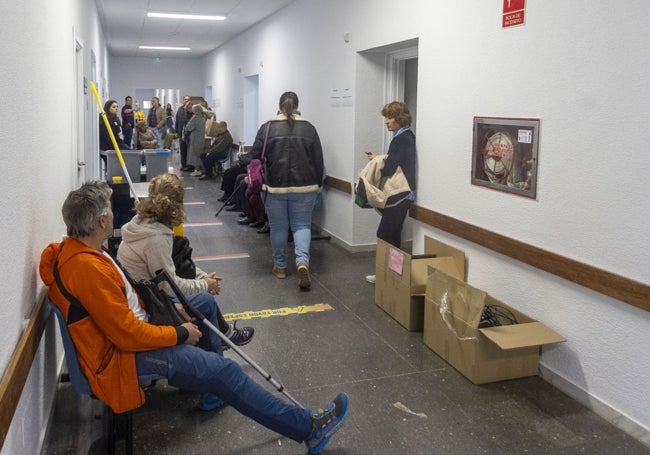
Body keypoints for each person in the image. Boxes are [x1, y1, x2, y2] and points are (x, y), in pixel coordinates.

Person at [39, 181, 348, 454]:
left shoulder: (88, 252)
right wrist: (181, 333)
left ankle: (219, 381)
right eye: (109, 209)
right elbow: (126, 334)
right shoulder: (87, 269)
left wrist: (173, 313)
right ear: (102, 220)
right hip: (120, 357)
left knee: (204, 324)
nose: (113, 213)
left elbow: (129, 307)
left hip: (132, 337)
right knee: (223, 370)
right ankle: (308, 427)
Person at [116, 173, 253, 348]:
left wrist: (203, 278)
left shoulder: (143, 222)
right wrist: (205, 285)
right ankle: (216, 351)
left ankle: (223, 335)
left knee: (201, 291)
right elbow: (170, 288)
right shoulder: (156, 239)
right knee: (205, 300)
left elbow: (173, 266)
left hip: (145, 293)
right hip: (151, 304)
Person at [250, 91, 324, 290]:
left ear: (280, 105)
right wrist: (318, 184)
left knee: (279, 227)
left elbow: (254, 156)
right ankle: (302, 262)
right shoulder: (309, 128)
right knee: (302, 226)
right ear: (297, 105)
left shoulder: (268, 128)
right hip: (306, 187)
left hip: (275, 188)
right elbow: (318, 160)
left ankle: (280, 267)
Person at [364, 101, 417, 284]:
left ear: (399, 118)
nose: (387, 121)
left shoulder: (401, 138)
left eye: (390, 117)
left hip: (399, 195)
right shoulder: (406, 136)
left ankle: (386, 274)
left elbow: (389, 168)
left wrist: (377, 161)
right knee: (393, 235)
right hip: (404, 195)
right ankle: (394, 274)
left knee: (385, 233)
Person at [99, 99, 129, 168]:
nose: (116, 108)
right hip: (110, 150)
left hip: (119, 147)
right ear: (108, 108)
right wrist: (114, 150)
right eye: (113, 107)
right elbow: (106, 138)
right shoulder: (104, 121)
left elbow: (118, 135)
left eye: (117, 107)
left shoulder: (115, 119)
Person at [183, 104, 206, 174]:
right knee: (199, 153)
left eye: (193, 109)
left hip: (195, 138)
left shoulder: (195, 117)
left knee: (194, 154)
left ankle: (197, 170)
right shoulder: (202, 117)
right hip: (201, 138)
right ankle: (200, 169)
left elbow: (187, 127)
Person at [175, 96, 192, 171]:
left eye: (188, 100)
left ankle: (189, 165)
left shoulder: (192, 110)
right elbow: (177, 121)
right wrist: (176, 132)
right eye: (185, 99)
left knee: (189, 151)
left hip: (189, 134)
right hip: (181, 133)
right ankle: (183, 165)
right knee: (182, 150)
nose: (186, 101)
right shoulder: (180, 109)